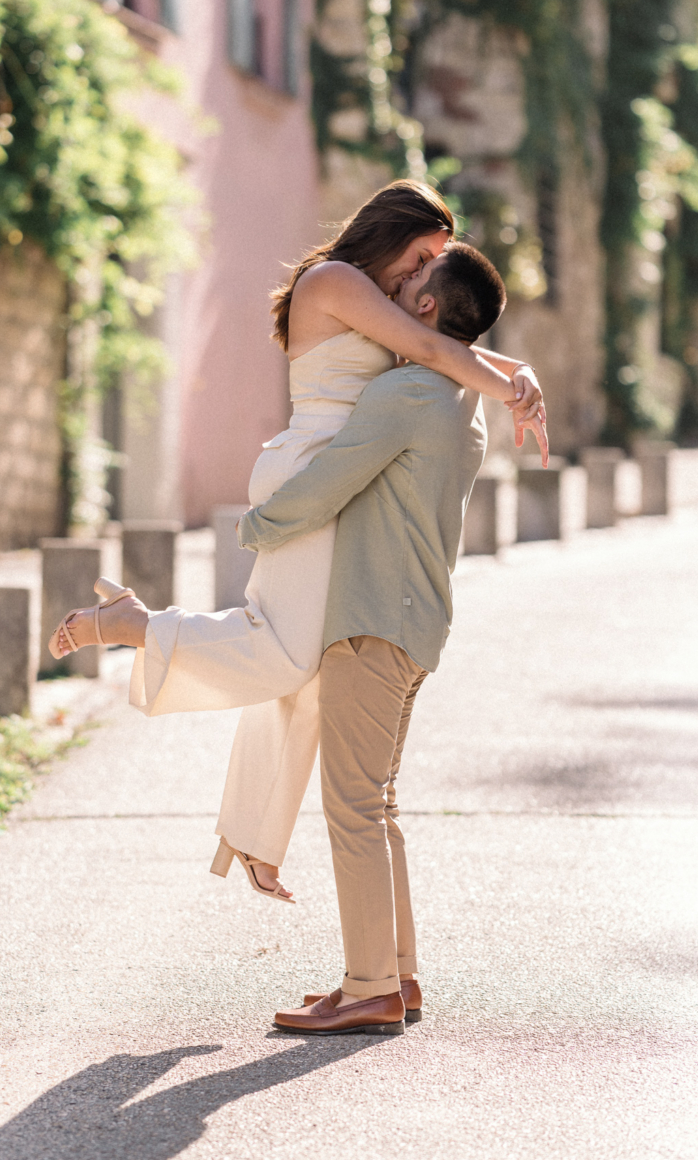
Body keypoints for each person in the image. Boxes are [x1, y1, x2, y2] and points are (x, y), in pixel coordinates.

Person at [49, 181, 547, 903]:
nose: (423, 276)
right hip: (310, 474)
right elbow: (426, 347)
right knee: (281, 654)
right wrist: (512, 387)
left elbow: (439, 344)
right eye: (420, 256)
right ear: (390, 235)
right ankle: (134, 624)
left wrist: (521, 373)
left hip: (343, 482)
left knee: (311, 669)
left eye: (434, 264)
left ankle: (255, 836)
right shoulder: (335, 281)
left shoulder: (382, 301)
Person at [244, 242, 495, 1033]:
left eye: (413, 279)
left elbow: (330, 479)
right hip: (419, 622)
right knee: (378, 804)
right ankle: (395, 976)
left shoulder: (407, 392)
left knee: (353, 806)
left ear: (424, 311)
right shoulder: (462, 400)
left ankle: (367, 988)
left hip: (372, 617)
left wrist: (257, 524)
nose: (396, 286)